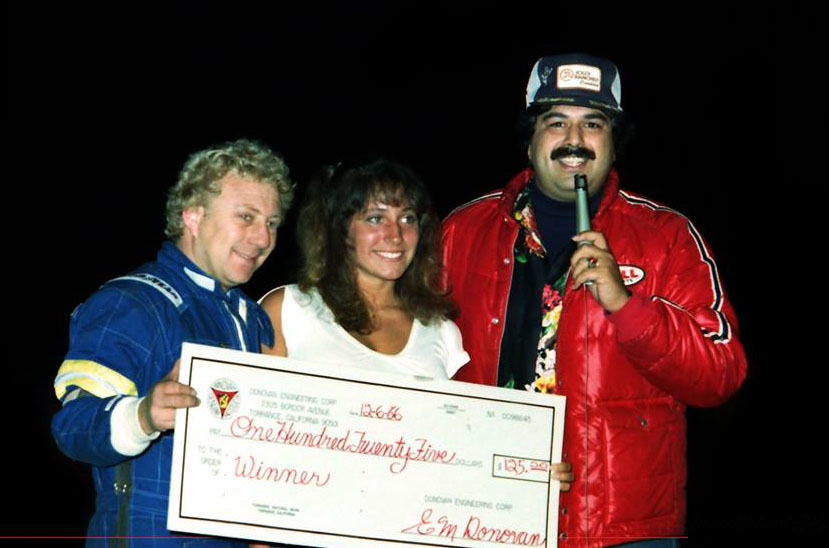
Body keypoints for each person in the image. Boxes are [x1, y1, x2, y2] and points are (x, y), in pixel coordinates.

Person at [441, 53, 747, 547]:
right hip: (485, 515)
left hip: (621, 530)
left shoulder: (667, 236)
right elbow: (413, 365)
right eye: (556, 122)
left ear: (613, 141)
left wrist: (628, 307)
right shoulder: (461, 232)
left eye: (593, 124)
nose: (574, 140)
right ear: (530, 138)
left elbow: (721, 374)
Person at [51, 139, 294, 547]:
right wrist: (143, 416)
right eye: (246, 217)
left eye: (272, 223)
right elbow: (72, 428)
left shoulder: (249, 318)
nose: (262, 238)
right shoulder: (131, 303)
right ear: (193, 216)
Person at [260, 159, 468, 379]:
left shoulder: (441, 331)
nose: (396, 235)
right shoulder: (288, 310)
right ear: (340, 229)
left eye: (408, 218)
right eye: (376, 218)